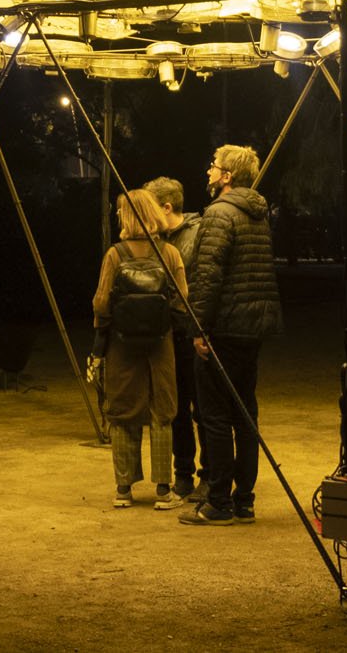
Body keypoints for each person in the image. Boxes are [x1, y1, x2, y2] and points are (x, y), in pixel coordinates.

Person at [181, 144, 282, 526]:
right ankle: (245, 501)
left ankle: (219, 501)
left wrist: (198, 328)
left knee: (216, 416)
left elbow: (208, 276)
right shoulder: (258, 213)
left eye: (214, 165)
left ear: (227, 176)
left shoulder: (219, 213)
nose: (208, 170)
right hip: (252, 325)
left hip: (223, 327)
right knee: (244, 413)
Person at [91, 188, 191, 510]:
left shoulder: (115, 254)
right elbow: (182, 300)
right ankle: (163, 489)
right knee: (162, 412)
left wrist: (102, 338)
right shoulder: (169, 253)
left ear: (128, 217)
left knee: (123, 413)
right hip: (160, 346)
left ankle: (124, 489)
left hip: (121, 346)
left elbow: (101, 302)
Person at [146, 174, 204, 503]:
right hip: (169, 334)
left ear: (166, 208)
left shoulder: (198, 235)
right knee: (177, 407)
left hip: (192, 332)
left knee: (202, 408)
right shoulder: (156, 240)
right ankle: (183, 473)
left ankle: (208, 474)